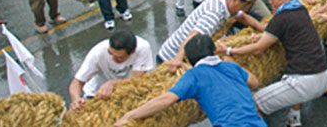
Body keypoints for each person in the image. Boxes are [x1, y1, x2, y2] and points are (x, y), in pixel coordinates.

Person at [216, 0, 327, 127]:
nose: (270, 2)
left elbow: (259, 49)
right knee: (291, 88)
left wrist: (230, 50)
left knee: (252, 103)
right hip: (323, 76)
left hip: (302, 82)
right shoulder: (301, 10)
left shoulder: (281, 18)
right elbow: (273, 35)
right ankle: (295, 118)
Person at [114, 35, 266, 127]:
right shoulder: (230, 67)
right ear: (214, 51)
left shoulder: (195, 75)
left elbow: (165, 100)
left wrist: (130, 115)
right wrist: (227, 57)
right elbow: (254, 82)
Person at [157, 0, 264, 72]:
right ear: (235, 0)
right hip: (171, 56)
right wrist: (177, 59)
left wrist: (263, 29)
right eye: (243, 5)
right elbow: (194, 36)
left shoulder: (222, 1)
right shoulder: (214, 14)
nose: (243, 9)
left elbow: (243, 17)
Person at [69, 30, 154, 113]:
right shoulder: (98, 52)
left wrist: (113, 83)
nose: (113, 59)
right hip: (97, 93)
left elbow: (137, 80)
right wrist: (76, 99)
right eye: (110, 53)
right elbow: (77, 82)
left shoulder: (143, 48)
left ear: (133, 52)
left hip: (128, 90)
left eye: (119, 57)